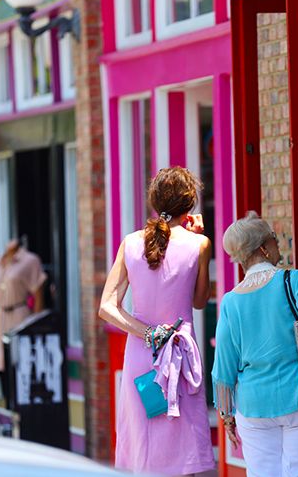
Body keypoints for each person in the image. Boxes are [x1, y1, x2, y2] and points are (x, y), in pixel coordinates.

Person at [99, 167, 216, 476]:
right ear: (189, 205)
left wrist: (148, 332)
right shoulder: (198, 245)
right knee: (181, 450)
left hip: (141, 356)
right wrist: (199, 239)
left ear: (154, 201)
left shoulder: (131, 242)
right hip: (181, 358)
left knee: (143, 449)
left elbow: (107, 307)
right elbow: (200, 300)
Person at [212, 211, 298, 477]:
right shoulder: (294, 281)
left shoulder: (231, 302)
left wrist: (226, 414)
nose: (278, 243)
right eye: (273, 239)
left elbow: (223, 367)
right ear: (263, 249)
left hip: (254, 408)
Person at [0, 239, 46, 376]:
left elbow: (38, 295)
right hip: (0, 316)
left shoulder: (30, 261)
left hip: (19, 314)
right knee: (2, 365)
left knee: (21, 363)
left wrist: (36, 329)